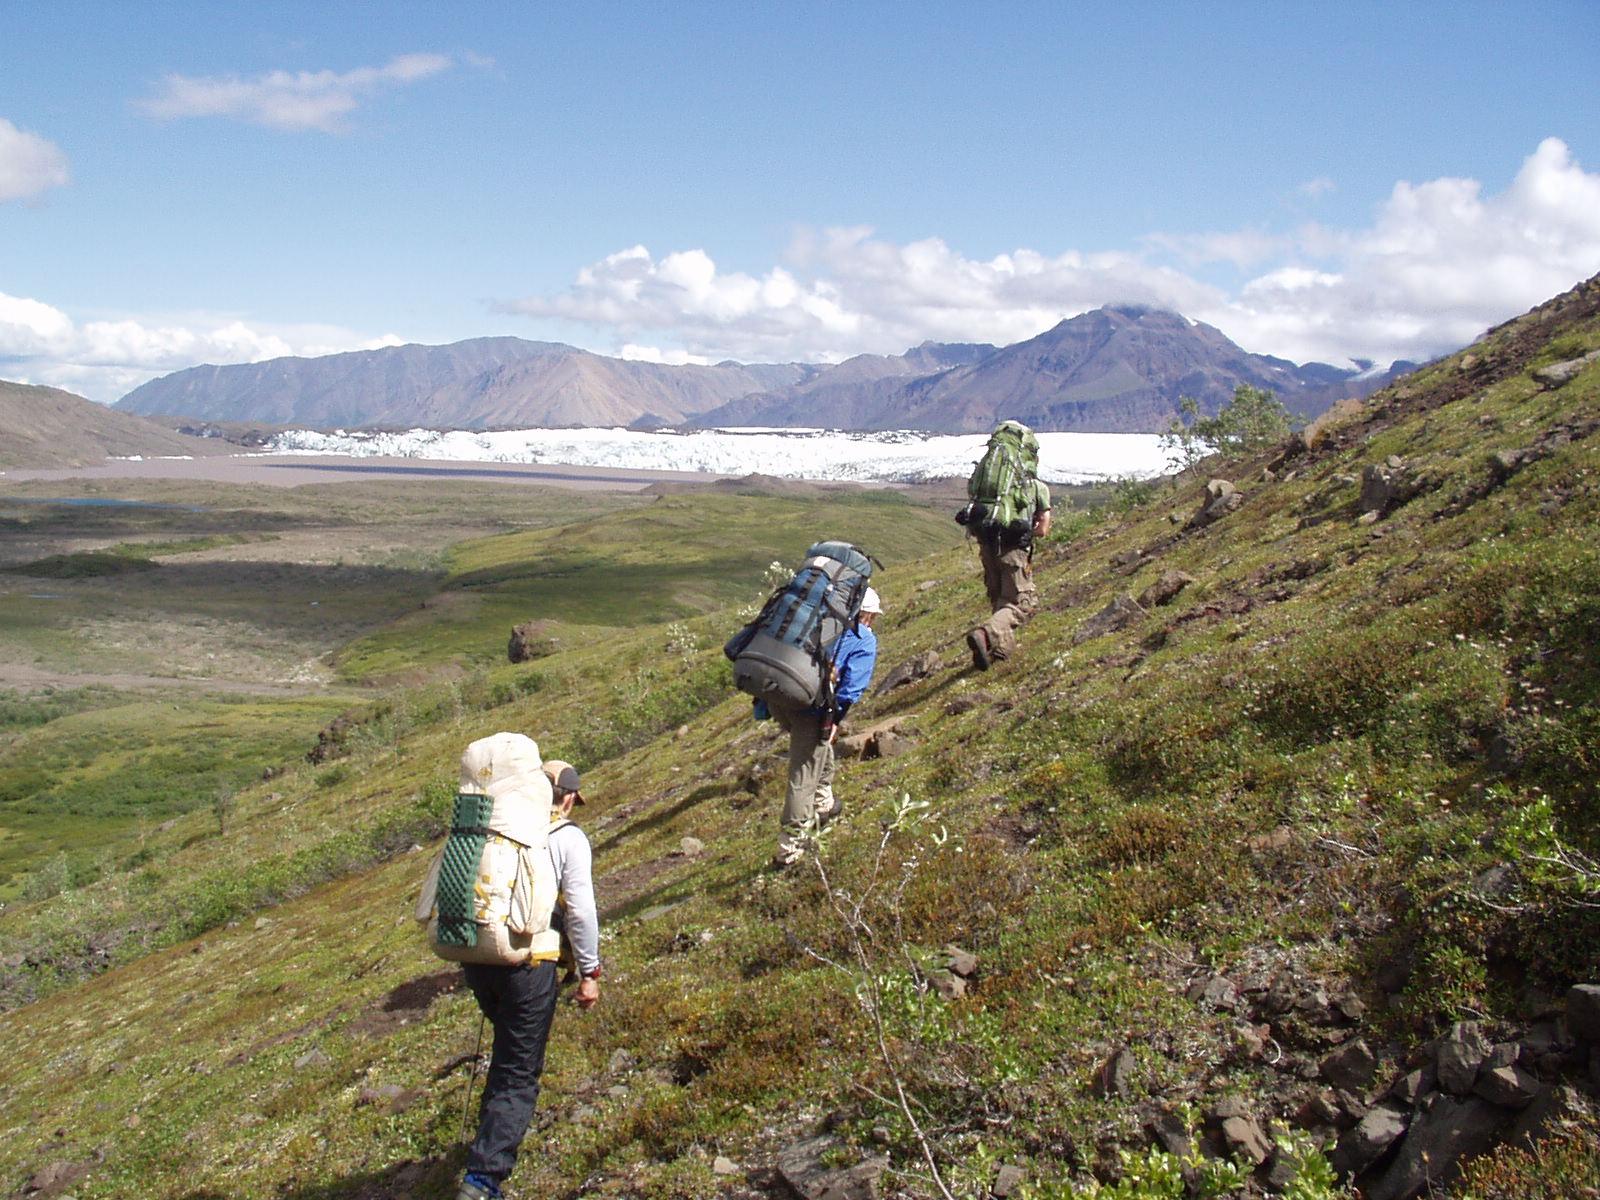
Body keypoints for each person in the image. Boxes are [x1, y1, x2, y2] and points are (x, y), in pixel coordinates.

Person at [456, 760, 601, 1200]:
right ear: (571, 797)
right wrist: (590, 971)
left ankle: (485, 1146)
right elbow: (580, 911)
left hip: (480, 959)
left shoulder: (499, 830)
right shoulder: (567, 838)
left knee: (507, 1052)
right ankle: (483, 1179)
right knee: (519, 1071)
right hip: (530, 965)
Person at [768, 586, 882, 866]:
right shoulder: (863, 639)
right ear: (866, 614)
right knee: (803, 772)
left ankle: (824, 804)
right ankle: (789, 850)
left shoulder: (816, 621)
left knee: (816, 748)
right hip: (811, 706)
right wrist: (835, 720)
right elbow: (850, 689)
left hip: (777, 696)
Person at [966, 465, 1051, 670]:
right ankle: (986, 634)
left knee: (1001, 600)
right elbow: (1043, 529)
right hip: (1013, 553)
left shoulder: (991, 488)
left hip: (987, 550)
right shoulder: (1036, 487)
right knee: (1022, 604)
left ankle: (999, 651)